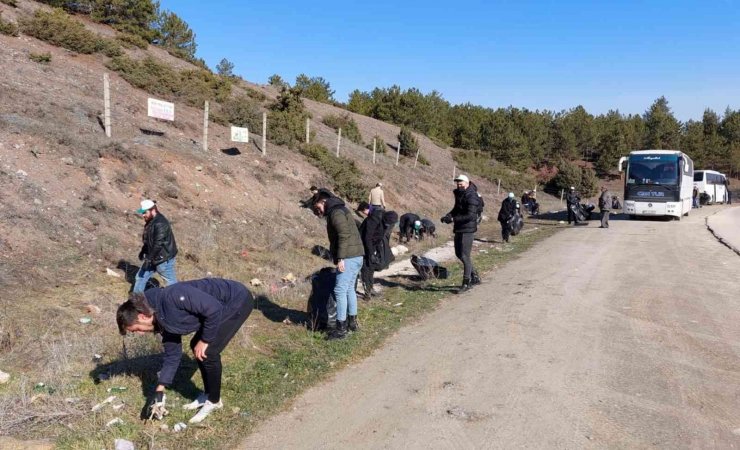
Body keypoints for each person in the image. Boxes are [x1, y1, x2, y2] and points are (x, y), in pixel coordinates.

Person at [116, 278, 254, 424]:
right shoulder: (160, 317)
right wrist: (160, 389)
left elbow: (214, 310)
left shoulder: (173, 297)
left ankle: (214, 401)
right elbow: (172, 355)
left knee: (208, 351)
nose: (141, 333)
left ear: (143, 316)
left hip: (236, 299)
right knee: (196, 345)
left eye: (137, 329)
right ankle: (208, 394)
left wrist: (205, 340)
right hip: (218, 308)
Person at [313, 192, 365, 339]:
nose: (317, 210)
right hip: (356, 255)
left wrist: (341, 258)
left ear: (323, 201)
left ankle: (341, 329)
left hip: (348, 257)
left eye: (317, 206)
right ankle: (352, 323)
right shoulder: (340, 209)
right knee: (349, 289)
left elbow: (343, 234)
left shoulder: (335, 212)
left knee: (340, 290)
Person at [441, 174, 481, 293]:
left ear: (467, 183)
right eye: (457, 183)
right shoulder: (460, 194)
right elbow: (457, 209)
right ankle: (475, 276)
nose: (459, 185)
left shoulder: (471, 196)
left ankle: (466, 283)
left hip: (467, 229)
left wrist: (454, 219)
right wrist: (448, 215)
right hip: (459, 228)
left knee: (464, 256)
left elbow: (471, 215)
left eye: (461, 183)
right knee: (459, 254)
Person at [134, 200, 178, 293]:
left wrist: (149, 259)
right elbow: (149, 240)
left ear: (152, 210)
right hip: (153, 256)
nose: (143, 215)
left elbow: (158, 243)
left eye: (145, 212)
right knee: (140, 277)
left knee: (171, 283)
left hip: (163, 259)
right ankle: (136, 302)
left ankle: (177, 301)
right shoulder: (150, 221)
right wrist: (143, 250)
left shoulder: (160, 223)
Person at [356, 201, 384, 299]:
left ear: (366, 209)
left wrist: (371, 252)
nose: (364, 214)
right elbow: (367, 237)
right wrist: (370, 252)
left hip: (368, 247)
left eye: (363, 212)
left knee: (370, 268)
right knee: (366, 269)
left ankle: (370, 289)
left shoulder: (373, 218)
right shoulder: (374, 216)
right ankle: (367, 293)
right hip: (365, 248)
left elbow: (369, 237)